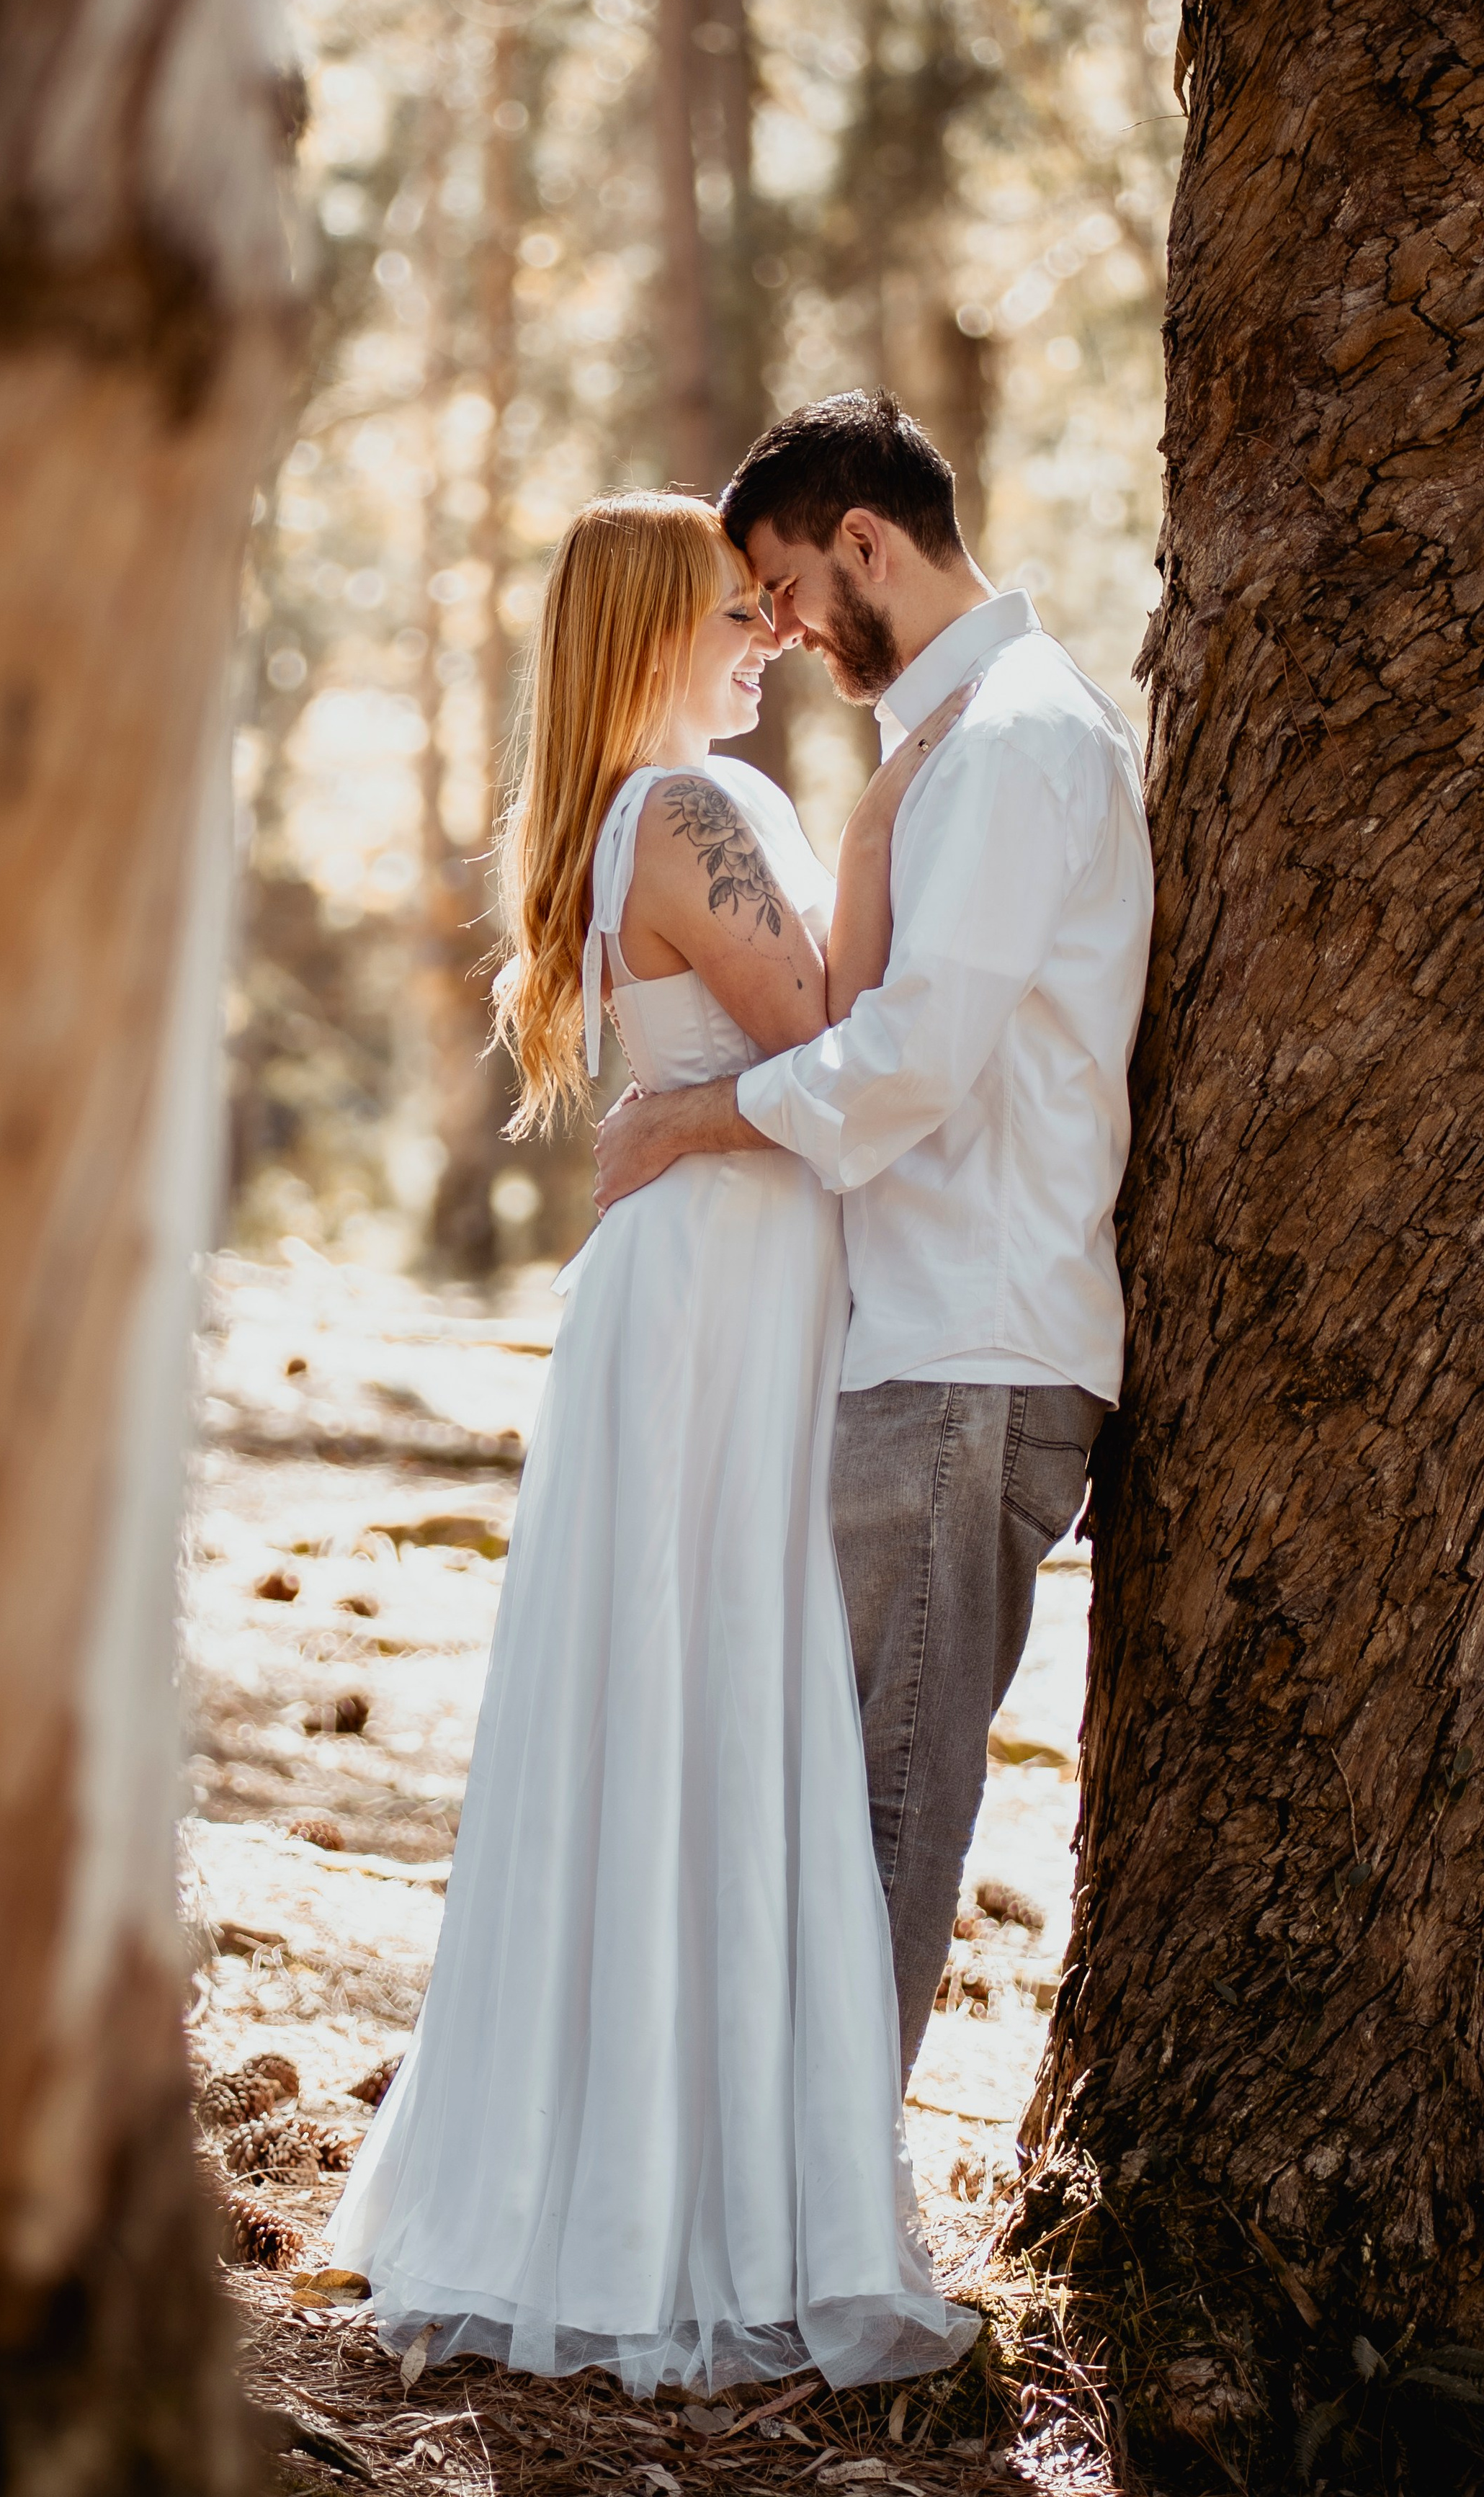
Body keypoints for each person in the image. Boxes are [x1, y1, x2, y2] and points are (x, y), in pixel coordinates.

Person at [326, 489, 978, 2399]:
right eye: (733, 607)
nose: (770, 630)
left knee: (672, 1715)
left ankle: (629, 2181)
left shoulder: (632, 822)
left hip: (695, 1291)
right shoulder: (696, 813)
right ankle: (689, 2211)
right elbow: (846, 1038)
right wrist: (897, 830)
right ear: (647, 635)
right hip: (719, 1297)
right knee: (716, 1697)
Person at [596, 392, 1156, 2083]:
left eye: (776, 587)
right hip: (916, 1341)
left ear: (864, 545)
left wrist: (690, 1119)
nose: (768, 630)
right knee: (839, 1804)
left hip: (970, 1351)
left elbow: (909, 1061)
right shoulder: (964, 738)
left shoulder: (1014, 744)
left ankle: (829, 2232)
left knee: (886, 1809)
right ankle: (788, 2205)